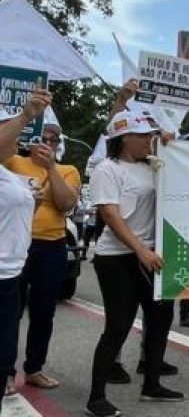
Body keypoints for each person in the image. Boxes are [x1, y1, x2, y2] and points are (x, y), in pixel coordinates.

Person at [86, 111, 184, 417]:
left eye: (150, 135)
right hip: (117, 258)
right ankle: (96, 398)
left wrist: (169, 148)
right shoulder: (108, 169)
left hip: (151, 255)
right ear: (124, 137)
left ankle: (152, 383)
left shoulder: (153, 166)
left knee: (161, 318)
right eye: (143, 135)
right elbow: (110, 215)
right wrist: (140, 249)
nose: (148, 140)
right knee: (118, 326)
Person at [4, 106, 81, 392]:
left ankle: (34, 367)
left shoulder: (67, 170)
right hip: (18, 245)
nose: (48, 144)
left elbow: (65, 204)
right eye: (44, 138)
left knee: (43, 311)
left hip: (52, 246)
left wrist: (50, 168)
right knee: (11, 311)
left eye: (54, 141)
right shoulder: (13, 162)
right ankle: (7, 372)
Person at [1, 90, 49, 405]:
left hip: (9, 278)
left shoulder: (9, 175)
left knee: (3, 360)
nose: (17, 136)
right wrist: (25, 115)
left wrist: (33, 202)